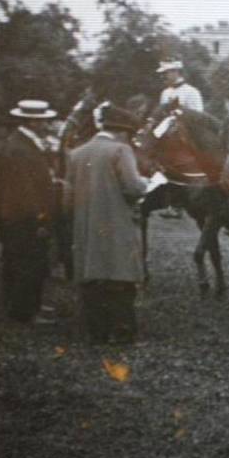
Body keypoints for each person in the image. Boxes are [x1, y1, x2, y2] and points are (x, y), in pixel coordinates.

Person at [65, 102, 150, 344]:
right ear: (123, 131)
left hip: (86, 226)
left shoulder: (77, 153)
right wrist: (147, 182)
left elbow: (68, 196)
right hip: (117, 222)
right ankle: (123, 332)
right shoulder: (120, 150)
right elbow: (133, 187)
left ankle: (97, 332)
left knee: (93, 279)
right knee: (121, 279)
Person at [0, 100, 58, 325]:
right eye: (43, 121)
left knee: (20, 260)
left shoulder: (20, 143)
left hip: (17, 215)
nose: (47, 125)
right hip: (24, 217)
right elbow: (24, 191)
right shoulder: (20, 148)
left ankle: (23, 305)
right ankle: (25, 311)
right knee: (28, 262)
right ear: (32, 121)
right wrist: (40, 220)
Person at [156, 60, 203, 217]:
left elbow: (198, 116)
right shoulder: (165, 93)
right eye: (162, 73)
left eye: (167, 72)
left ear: (177, 72)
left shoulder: (191, 92)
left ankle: (179, 204)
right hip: (166, 132)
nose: (164, 76)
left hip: (186, 132)